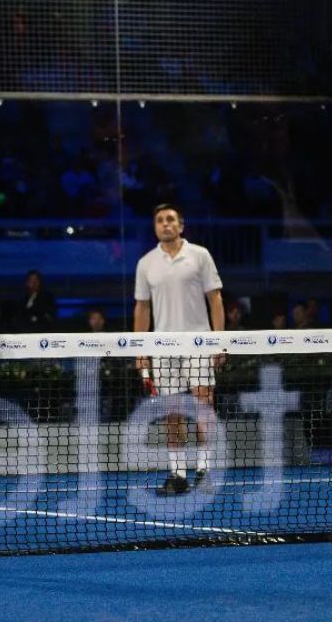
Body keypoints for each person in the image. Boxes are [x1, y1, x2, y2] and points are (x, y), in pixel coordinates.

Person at [133, 203, 224, 497]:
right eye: (160, 220)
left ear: (181, 225)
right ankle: (178, 474)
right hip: (161, 348)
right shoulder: (146, 263)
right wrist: (140, 350)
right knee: (172, 414)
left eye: (171, 219)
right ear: (155, 227)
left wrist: (218, 342)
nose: (165, 224)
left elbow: (216, 300)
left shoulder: (200, 255)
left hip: (199, 342)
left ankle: (205, 471)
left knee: (203, 408)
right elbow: (142, 308)